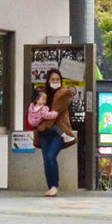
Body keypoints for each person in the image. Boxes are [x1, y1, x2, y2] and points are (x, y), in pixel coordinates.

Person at [35, 69, 76, 197]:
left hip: (58, 132)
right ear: (48, 80)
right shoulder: (42, 95)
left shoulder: (63, 94)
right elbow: (35, 110)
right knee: (46, 160)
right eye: (53, 79)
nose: (55, 82)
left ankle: (55, 185)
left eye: (57, 79)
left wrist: (43, 125)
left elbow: (55, 114)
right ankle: (50, 187)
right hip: (44, 133)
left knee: (51, 156)